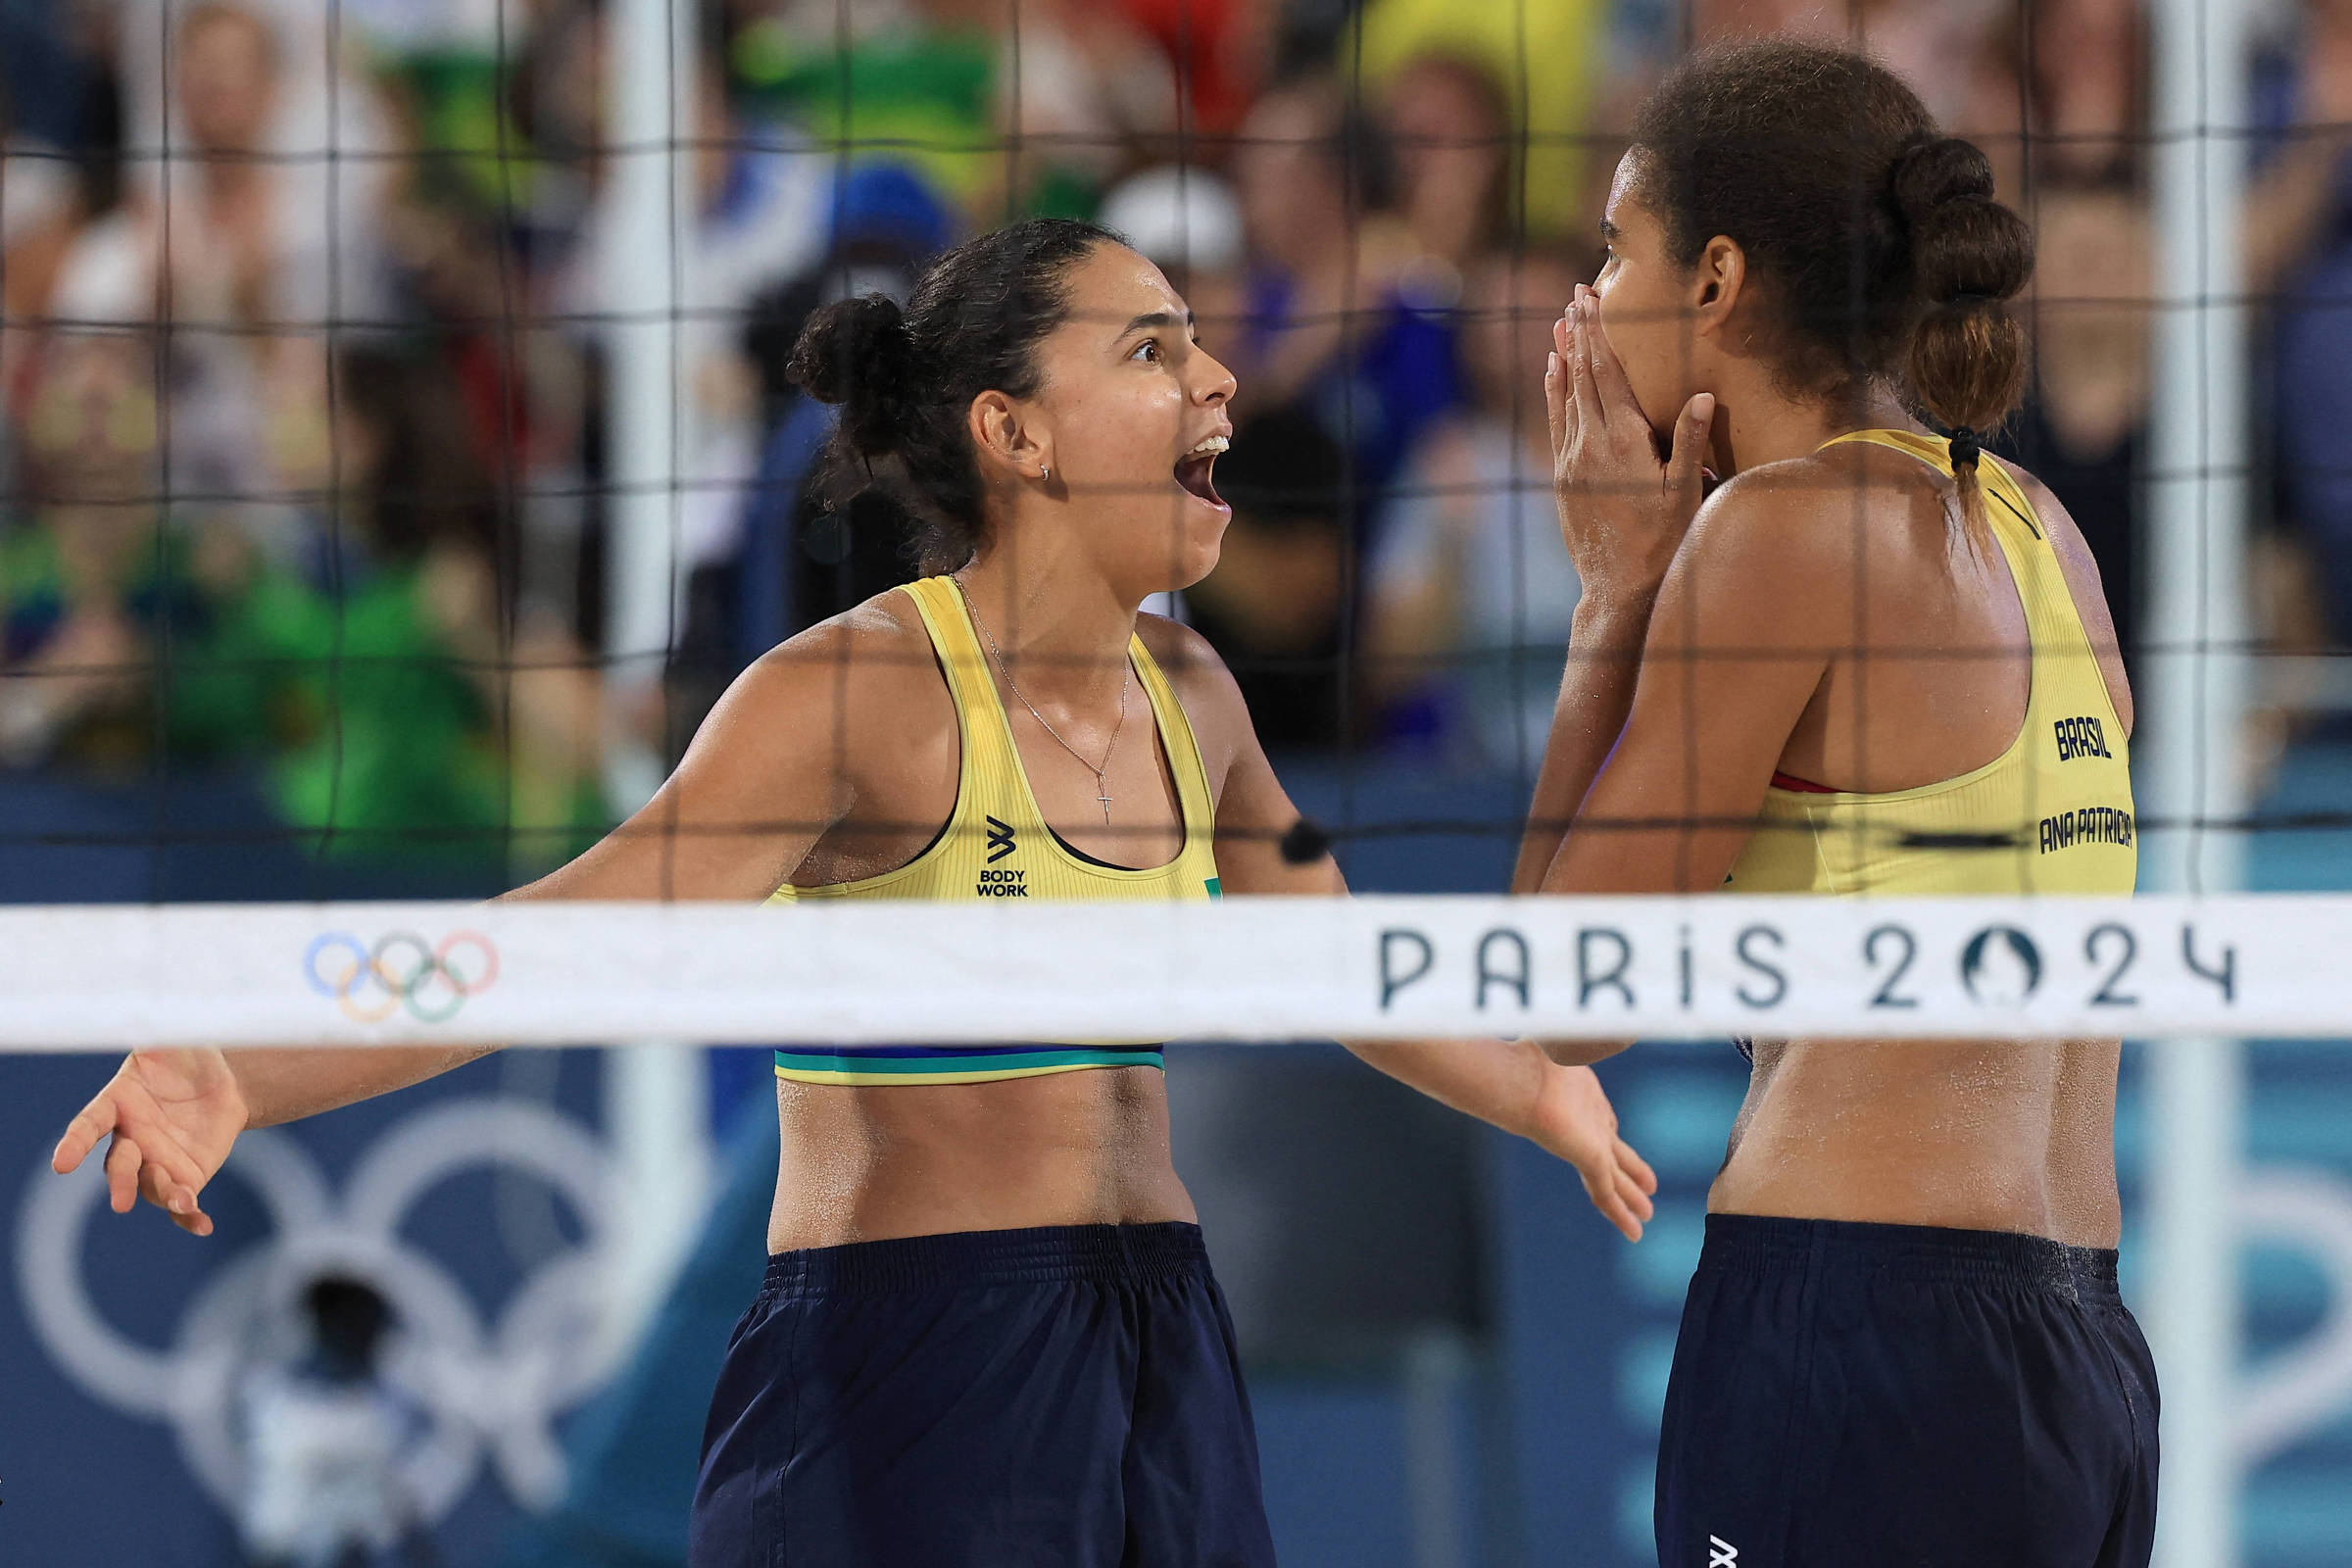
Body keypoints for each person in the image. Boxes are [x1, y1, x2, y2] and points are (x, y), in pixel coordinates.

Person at [52, 218, 1655, 1568]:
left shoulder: (1199, 692)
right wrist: (244, 1067)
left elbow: (1346, 967)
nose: (1220, 377)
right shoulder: (853, 698)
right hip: (912, 1358)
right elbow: (553, 948)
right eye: (1152, 352)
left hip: (1159, 1350)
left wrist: (1542, 1096)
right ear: (1012, 434)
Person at [1513, 41, 2150, 1568]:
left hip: (1862, 1330)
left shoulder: (1779, 534)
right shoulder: (2034, 520)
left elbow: (1561, 991)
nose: (1589, 300)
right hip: (2079, 1357)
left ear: (1718, 278)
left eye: (1619, 250)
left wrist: (1611, 602)